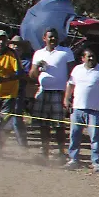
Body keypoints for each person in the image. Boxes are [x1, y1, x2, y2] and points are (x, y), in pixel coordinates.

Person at [63, 47, 99, 171]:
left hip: (94, 110)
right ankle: (73, 160)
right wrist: (66, 99)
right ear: (83, 58)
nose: (91, 58)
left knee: (95, 137)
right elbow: (70, 85)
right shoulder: (76, 70)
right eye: (88, 56)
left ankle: (96, 162)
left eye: (93, 56)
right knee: (74, 136)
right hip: (77, 108)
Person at [28, 28, 75, 161]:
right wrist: (37, 67)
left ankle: (61, 152)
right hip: (43, 91)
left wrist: (69, 94)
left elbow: (73, 73)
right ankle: (45, 152)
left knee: (59, 125)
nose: (53, 39)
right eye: (50, 37)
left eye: (55, 37)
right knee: (44, 125)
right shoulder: (38, 54)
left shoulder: (65, 52)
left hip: (59, 92)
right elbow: (32, 75)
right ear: (44, 38)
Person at [0, 30, 19, 152]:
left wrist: (4, 79)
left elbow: (19, 73)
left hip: (9, 95)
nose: (0, 41)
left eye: (3, 39)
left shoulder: (12, 54)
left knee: (4, 123)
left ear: (7, 41)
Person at [6, 36, 31, 147]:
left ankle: (22, 145)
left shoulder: (26, 62)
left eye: (19, 45)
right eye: (14, 44)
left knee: (16, 119)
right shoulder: (5, 59)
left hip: (18, 93)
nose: (16, 47)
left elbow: (25, 77)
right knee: (3, 118)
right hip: (4, 92)